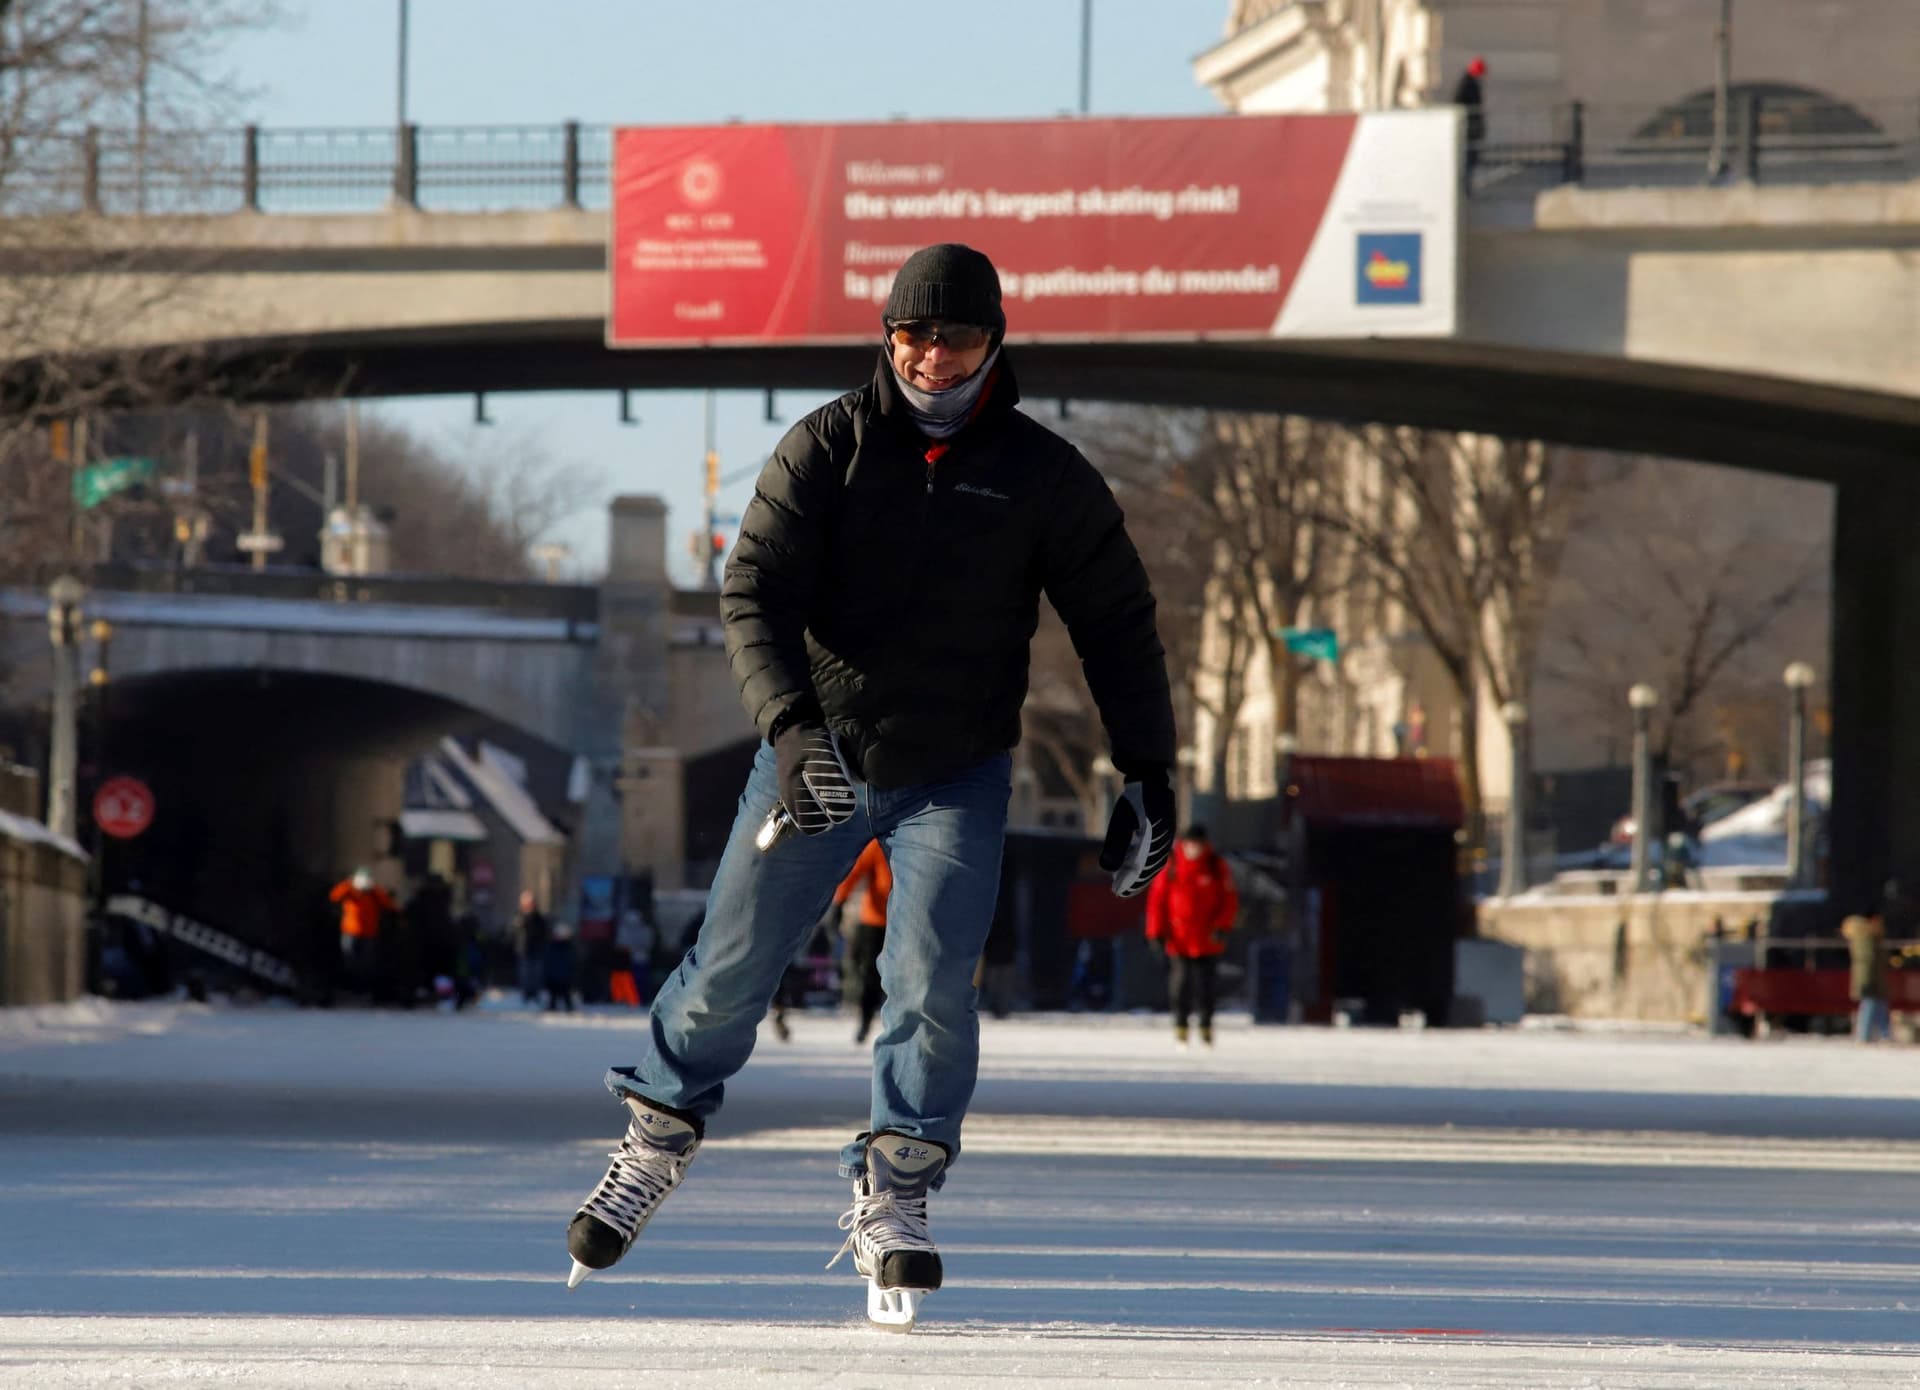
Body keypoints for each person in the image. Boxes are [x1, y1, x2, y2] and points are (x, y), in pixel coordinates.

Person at [564, 241, 1176, 1326]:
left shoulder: (1041, 475)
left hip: (958, 767)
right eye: (914, 334)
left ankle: (897, 1184)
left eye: (957, 336)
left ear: (994, 344)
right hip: (825, 751)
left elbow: (1117, 620)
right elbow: (751, 589)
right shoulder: (829, 448)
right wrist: (791, 731)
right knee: (734, 959)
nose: (933, 357)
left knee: (935, 975)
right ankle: (656, 1135)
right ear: (886, 337)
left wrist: (1147, 768)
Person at [1146, 826, 1239, 1049]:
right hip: (1179, 939)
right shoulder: (1172, 867)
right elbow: (1157, 902)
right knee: (1180, 985)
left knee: (1206, 987)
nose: (1193, 849)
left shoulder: (1216, 867)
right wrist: (1155, 932)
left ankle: (1206, 1027)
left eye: (1197, 844)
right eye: (1189, 844)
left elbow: (1229, 900)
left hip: (1208, 940)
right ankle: (1181, 1028)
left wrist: (1223, 926)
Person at [834, 840, 893, 1044]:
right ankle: (866, 1019)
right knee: (869, 973)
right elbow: (856, 871)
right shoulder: (878, 845)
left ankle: (897, 1021)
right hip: (874, 920)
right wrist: (839, 901)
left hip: (904, 922)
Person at [328, 868, 397, 1000]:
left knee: (368, 964)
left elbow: (388, 904)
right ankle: (350, 988)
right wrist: (349, 883)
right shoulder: (350, 892)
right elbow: (334, 896)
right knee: (349, 961)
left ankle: (365, 989)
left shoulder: (374, 894)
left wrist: (374, 888)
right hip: (350, 932)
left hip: (369, 934)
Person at [1843, 910, 1891, 1043]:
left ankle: (1884, 1033)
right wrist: (1867, 979)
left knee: (1878, 1004)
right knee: (1870, 1004)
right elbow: (1867, 959)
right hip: (1869, 977)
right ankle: (1866, 1034)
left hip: (1872, 976)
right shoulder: (1866, 936)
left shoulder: (1868, 935)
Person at [509, 889, 551, 1007]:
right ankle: (526, 995)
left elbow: (543, 932)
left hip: (536, 949)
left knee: (536, 974)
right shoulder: (519, 917)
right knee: (525, 974)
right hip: (523, 950)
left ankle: (535, 995)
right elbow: (513, 932)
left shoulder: (538, 917)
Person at [1453, 55, 1487, 182]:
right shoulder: (1467, 83)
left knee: (1471, 159)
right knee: (1467, 159)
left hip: (1472, 128)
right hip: (1468, 128)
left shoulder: (1470, 83)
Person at [544, 922, 578, 1013]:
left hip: (565, 977)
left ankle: (569, 1007)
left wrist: (572, 976)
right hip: (553, 977)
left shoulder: (570, 948)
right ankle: (552, 1007)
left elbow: (573, 963)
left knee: (566, 995)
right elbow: (547, 962)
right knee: (553, 995)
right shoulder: (551, 947)